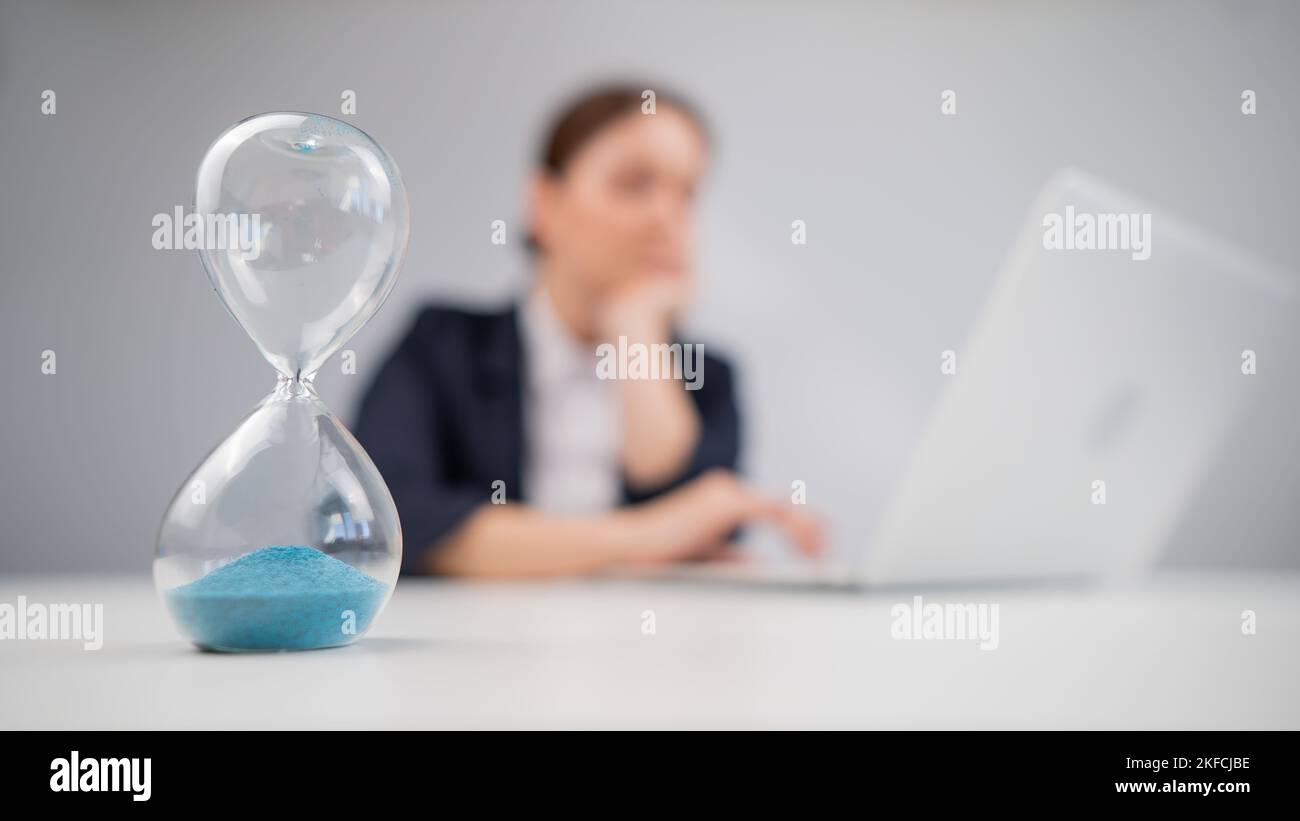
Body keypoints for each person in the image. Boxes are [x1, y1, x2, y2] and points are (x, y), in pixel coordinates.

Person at [355, 84, 822, 577]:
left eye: (686, 193)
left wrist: (634, 329)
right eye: (634, 184)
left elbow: (703, 527)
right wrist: (649, 535)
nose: (667, 217)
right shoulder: (442, 345)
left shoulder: (710, 376)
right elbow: (392, 517)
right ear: (545, 204)